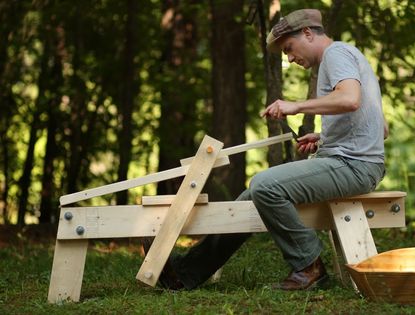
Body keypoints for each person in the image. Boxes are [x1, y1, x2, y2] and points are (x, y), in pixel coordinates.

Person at [149, 8, 387, 291]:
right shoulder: (344, 57)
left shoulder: (336, 54)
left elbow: (349, 99)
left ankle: (309, 267)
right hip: (353, 162)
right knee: (251, 197)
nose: (289, 58)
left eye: (289, 48)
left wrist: (295, 105)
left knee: (264, 185)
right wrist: (323, 138)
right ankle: (185, 272)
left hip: (355, 167)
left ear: (308, 33)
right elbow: (379, 128)